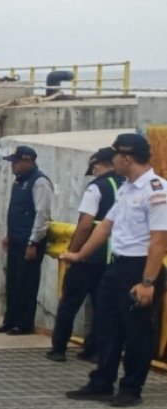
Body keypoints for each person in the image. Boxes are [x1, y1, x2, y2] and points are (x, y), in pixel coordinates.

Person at [61, 133, 167, 407]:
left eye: (116, 156)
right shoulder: (126, 188)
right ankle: (102, 382)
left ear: (126, 158)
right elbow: (105, 227)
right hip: (117, 266)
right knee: (106, 326)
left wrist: (147, 282)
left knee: (136, 332)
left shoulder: (156, 191)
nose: (113, 161)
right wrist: (79, 255)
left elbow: (159, 241)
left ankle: (131, 389)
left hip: (140, 269)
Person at [48, 147, 121, 362]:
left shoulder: (96, 188)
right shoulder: (127, 186)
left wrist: (73, 252)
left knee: (70, 302)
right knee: (103, 307)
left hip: (90, 256)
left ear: (97, 165)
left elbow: (85, 225)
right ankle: (94, 350)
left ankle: (58, 348)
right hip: (115, 258)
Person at [0, 145, 53, 335]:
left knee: (26, 283)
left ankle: (24, 323)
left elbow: (42, 215)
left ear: (28, 162)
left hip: (29, 241)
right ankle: (10, 320)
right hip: (16, 238)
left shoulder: (40, 182)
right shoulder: (19, 182)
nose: (13, 166)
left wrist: (33, 242)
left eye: (16, 162)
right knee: (12, 281)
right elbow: (15, 211)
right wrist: (8, 235)